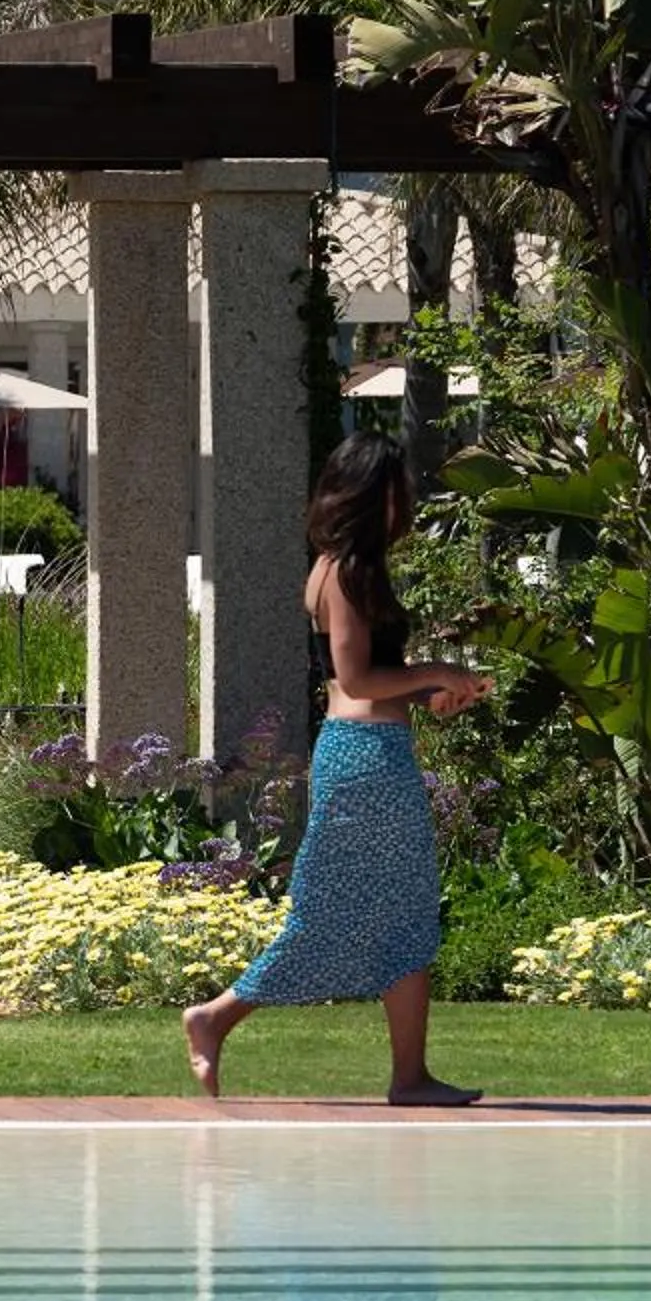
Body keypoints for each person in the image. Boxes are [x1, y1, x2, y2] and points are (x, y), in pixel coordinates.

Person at [182, 429, 491, 1106]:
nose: (401, 504)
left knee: (406, 914)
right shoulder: (347, 570)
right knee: (333, 914)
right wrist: (436, 668)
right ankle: (214, 1017)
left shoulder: (340, 565)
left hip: (372, 752)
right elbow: (355, 675)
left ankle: (410, 1077)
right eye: (393, 491)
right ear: (368, 494)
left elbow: (366, 679)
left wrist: (431, 695)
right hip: (364, 761)